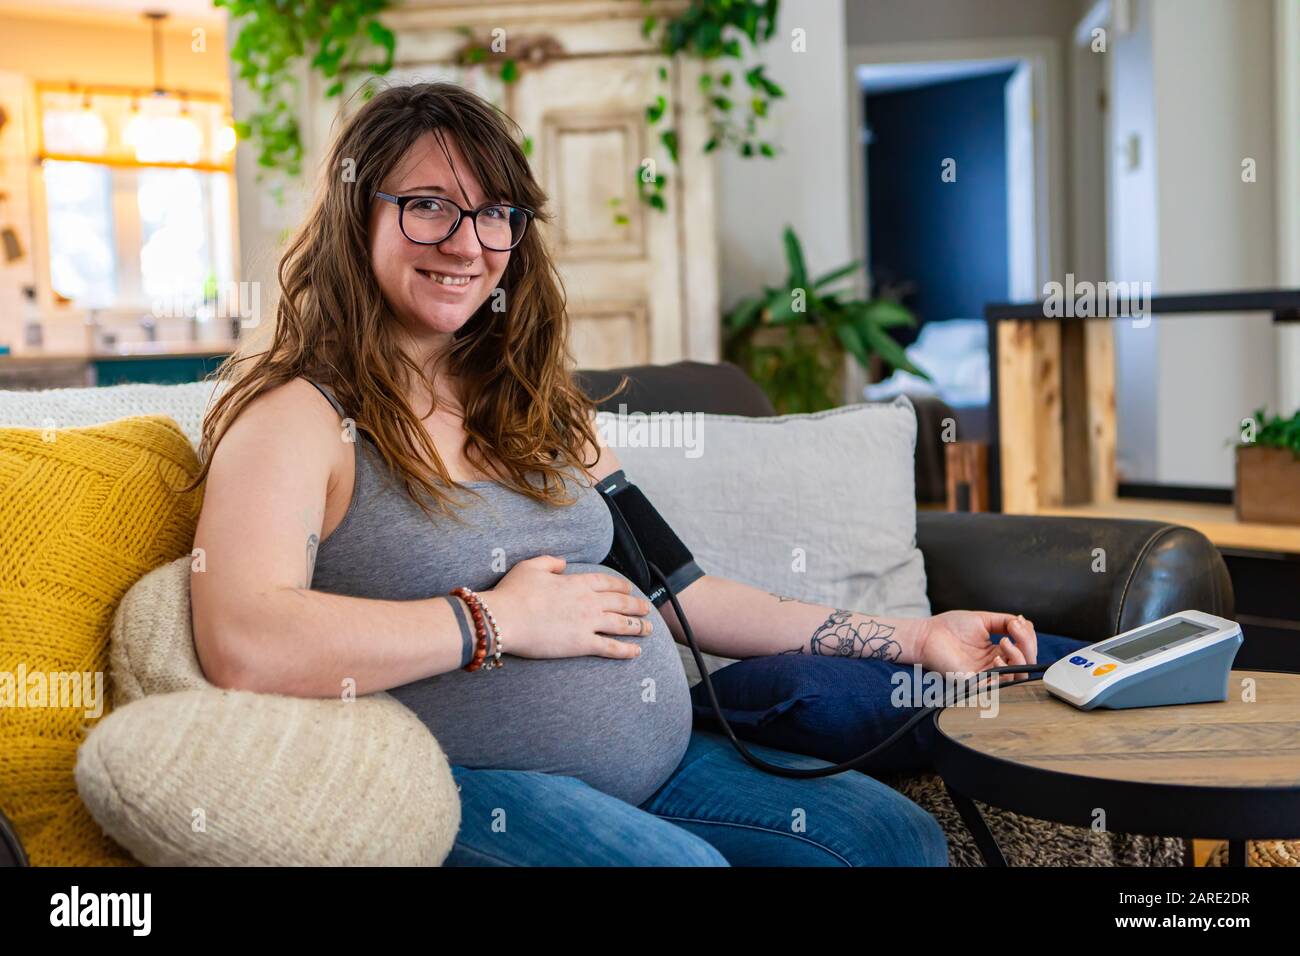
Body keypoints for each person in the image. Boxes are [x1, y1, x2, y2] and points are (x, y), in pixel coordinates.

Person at [188, 82, 1040, 866]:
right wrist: (493, 621)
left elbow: (686, 595)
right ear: (354, 216)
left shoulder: (536, 406)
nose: (467, 244)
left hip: (664, 762)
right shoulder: (298, 418)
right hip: (456, 786)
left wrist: (916, 639)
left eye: (496, 215)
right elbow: (244, 642)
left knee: (893, 839)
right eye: (427, 208)